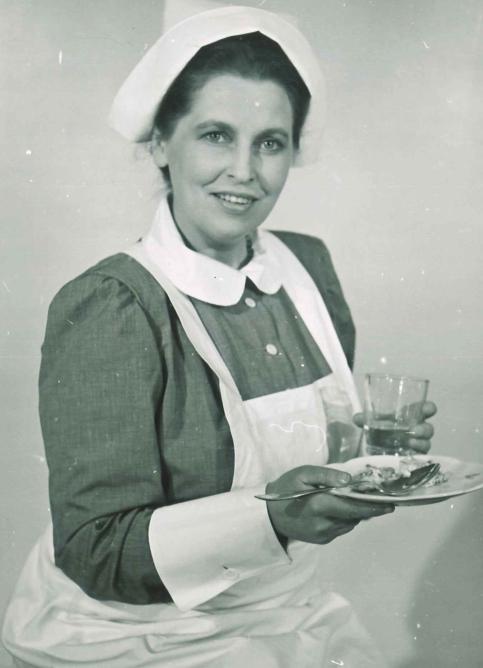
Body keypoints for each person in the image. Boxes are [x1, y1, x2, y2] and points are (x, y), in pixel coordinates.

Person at [2, 6, 435, 668]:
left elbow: (313, 453)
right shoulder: (113, 305)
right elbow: (95, 549)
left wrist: (377, 460)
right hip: (134, 635)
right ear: (159, 144)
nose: (244, 170)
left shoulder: (306, 267)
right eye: (215, 135)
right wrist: (272, 520)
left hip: (285, 611)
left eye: (270, 143)